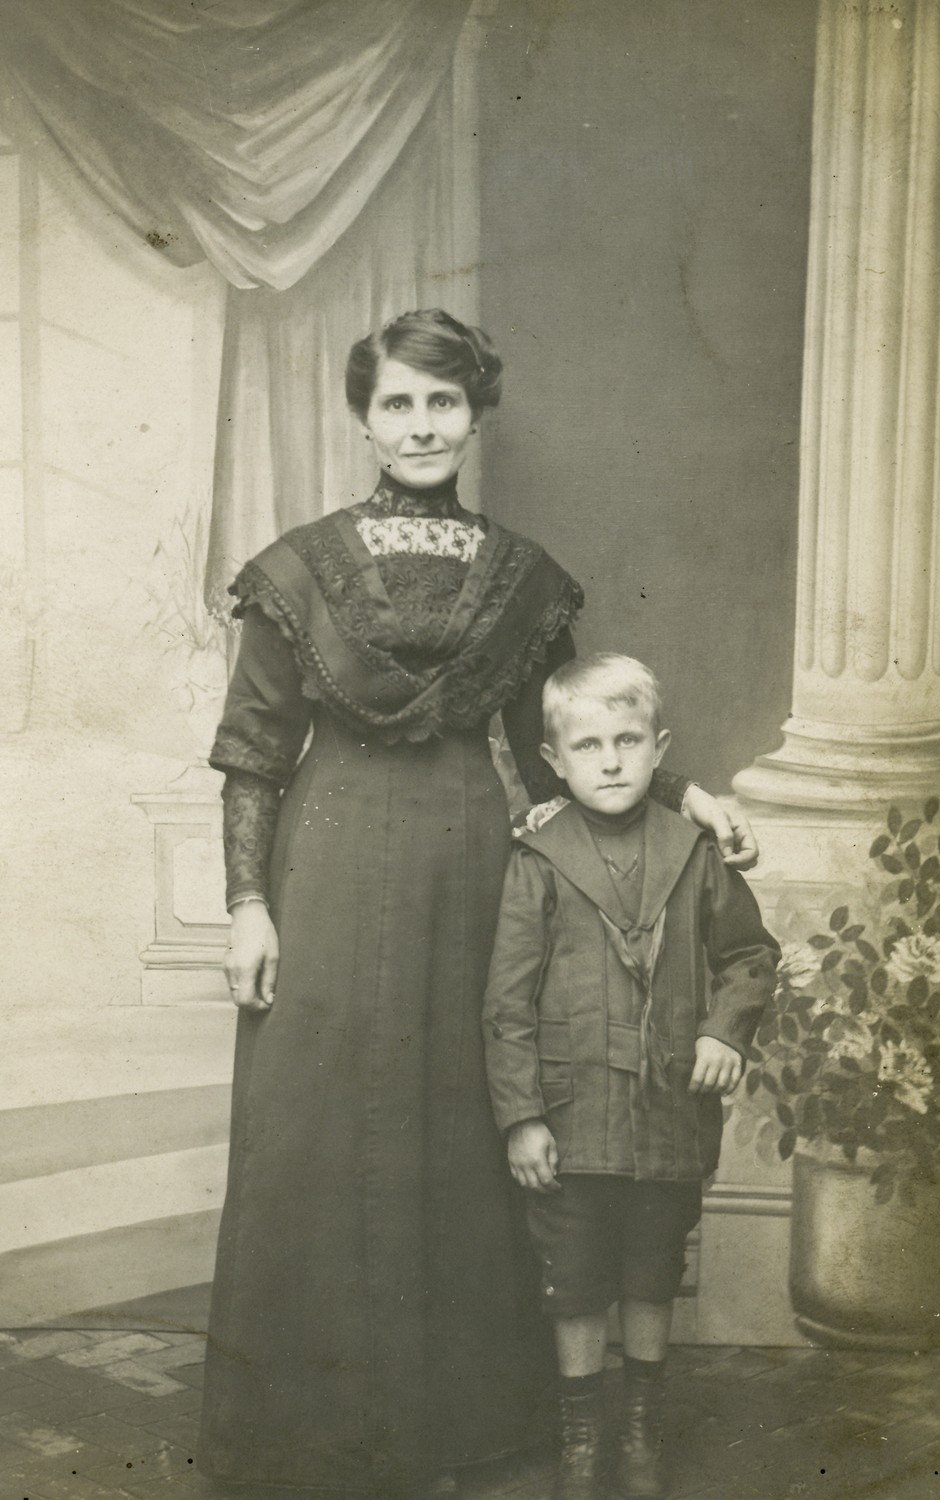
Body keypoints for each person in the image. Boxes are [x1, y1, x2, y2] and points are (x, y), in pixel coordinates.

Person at [197, 310, 761, 1499]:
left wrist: (687, 795)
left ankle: (460, 1420)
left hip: (472, 876)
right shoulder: (295, 569)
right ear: (364, 419)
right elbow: (252, 754)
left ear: (475, 416)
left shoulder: (522, 580)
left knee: (467, 1119)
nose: (420, 426)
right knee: (316, 1126)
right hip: (325, 868)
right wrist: (247, 902)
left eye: (442, 403)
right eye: (398, 403)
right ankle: (311, 1427)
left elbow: (569, 737)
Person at [482, 654, 779, 1500]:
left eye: (627, 741)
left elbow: (750, 956)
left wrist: (724, 1030)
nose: (610, 762)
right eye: (588, 746)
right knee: (574, 1279)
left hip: (667, 1113)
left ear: (659, 749)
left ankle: (642, 1424)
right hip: (570, 1118)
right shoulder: (536, 860)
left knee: (653, 1268)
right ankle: (582, 1435)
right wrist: (520, 1119)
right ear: (553, 760)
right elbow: (505, 1005)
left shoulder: (695, 852)